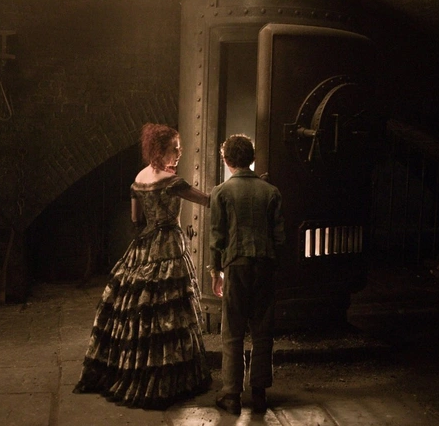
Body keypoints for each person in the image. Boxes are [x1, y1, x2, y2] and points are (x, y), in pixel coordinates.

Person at [73, 122, 212, 410]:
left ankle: (132, 368)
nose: (180, 152)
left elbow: (136, 220)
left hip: (144, 245)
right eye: (175, 148)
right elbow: (207, 200)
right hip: (170, 244)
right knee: (171, 312)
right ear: (160, 150)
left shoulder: (138, 178)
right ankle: (169, 379)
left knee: (139, 309)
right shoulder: (173, 182)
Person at [209, 134, 285, 415]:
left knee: (233, 330)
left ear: (227, 160)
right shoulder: (271, 192)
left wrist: (215, 272)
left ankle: (231, 395)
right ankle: (260, 393)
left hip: (236, 265)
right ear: (252, 158)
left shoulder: (221, 192)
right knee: (263, 330)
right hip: (264, 265)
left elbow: (217, 238)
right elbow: (280, 237)